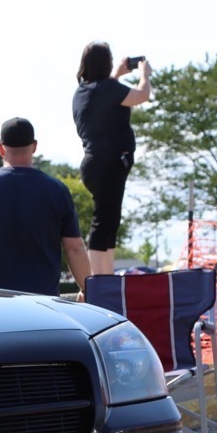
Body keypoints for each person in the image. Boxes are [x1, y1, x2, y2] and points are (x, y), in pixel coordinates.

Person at [0, 117, 91, 297]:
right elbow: (74, 247)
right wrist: (86, 289)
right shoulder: (57, 190)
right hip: (44, 302)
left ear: (1, 149)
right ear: (34, 146)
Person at [72, 41, 152, 276]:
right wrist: (144, 75)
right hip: (110, 164)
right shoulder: (107, 89)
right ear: (105, 63)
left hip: (93, 164)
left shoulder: (82, 92)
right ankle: (98, 281)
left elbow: (104, 98)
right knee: (103, 222)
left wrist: (116, 75)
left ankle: (105, 278)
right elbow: (143, 95)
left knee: (109, 221)